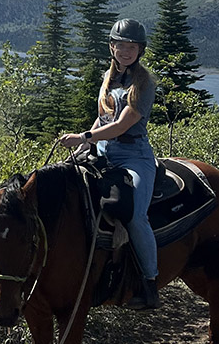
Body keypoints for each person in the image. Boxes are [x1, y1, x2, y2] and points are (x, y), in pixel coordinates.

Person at [59, 19, 160, 310]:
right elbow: (103, 120)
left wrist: (84, 136)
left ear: (140, 50)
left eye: (132, 47)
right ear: (112, 47)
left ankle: (150, 284)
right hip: (102, 152)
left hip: (134, 157)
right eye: (121, 45)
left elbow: (121, 125)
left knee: (135, 215)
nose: (126, 51)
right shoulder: (109, 77)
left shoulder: (144, 83)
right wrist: (84, 144)